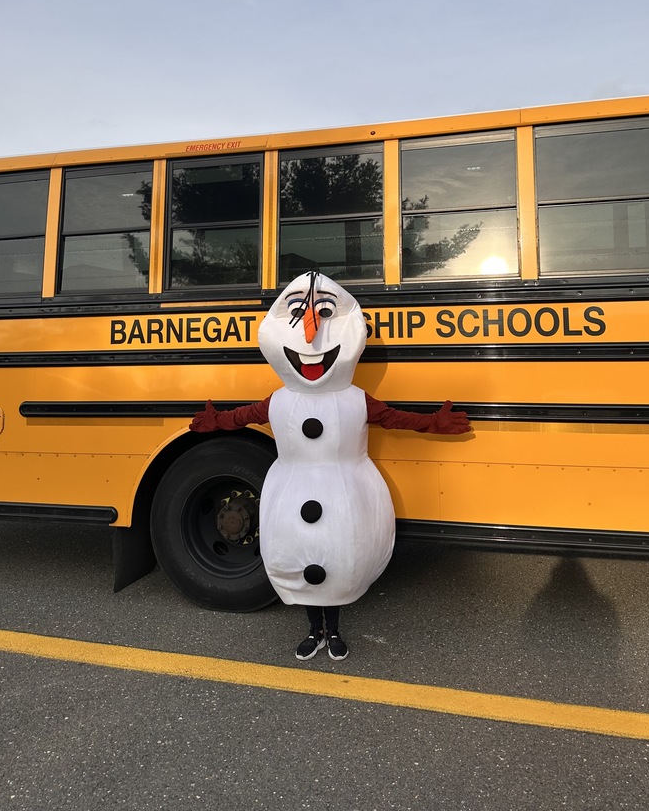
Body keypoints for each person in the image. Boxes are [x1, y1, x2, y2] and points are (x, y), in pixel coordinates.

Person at [190, 271, 472, 660]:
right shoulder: (279, 400)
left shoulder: (355, 399)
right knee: (302, 553)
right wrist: (215, 422)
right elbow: (243, 416)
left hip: (344, 494)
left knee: (337, 558)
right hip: (292, 492)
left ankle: (333, 630)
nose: (309, 338)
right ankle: (313, 631)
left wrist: (432, 424)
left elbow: (394, 418)